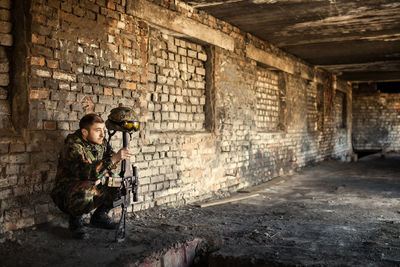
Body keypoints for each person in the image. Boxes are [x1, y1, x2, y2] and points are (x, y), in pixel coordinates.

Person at [51, 113, 132, 239]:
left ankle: (99, 216)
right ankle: (75, 222)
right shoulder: (72, 146)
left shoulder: (101, 143)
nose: (102, 134)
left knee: (120, 184)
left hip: (94, 183)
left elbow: (114, 167)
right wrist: (113, 160)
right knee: (86, 186)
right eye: (98, 130)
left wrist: (105, 176)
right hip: (67, 192)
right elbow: (86, 172)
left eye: (103, 130)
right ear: (84, 132)